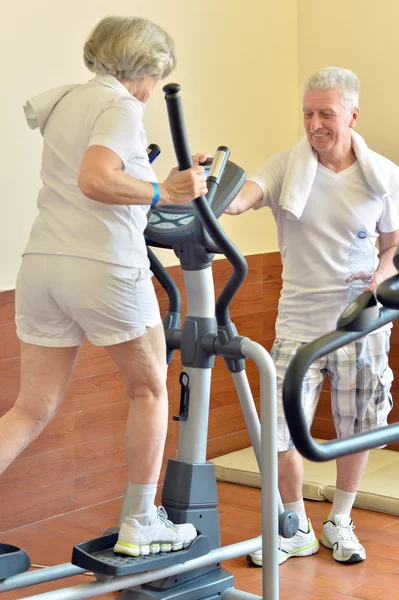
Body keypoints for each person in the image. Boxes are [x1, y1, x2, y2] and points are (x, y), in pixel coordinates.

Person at [0, 16, 208, 558]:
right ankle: (142, 521)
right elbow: (95, 178)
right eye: (155, 76)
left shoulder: (67, 99)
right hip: (103, 267)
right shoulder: (120, 105)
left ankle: (143, 518)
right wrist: (163, 192)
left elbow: (90, 171)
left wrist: (157, 183)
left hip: (43, 264)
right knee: (148, 389)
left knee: (30, 408)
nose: (151, 90)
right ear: (145, 68)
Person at [226, 66, 399, 566]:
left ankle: (340, 520)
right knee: (278, 428)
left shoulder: (382, 176)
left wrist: (378, 278)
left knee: (360, 426)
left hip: (360, 323)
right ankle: (295, 523)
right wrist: (209, 188)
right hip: (299, 324)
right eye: (307, 113)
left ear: (352, 113)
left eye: (326, 112)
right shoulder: (286, 167)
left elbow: (393, 245)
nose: (315, 123)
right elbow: (241, 201)